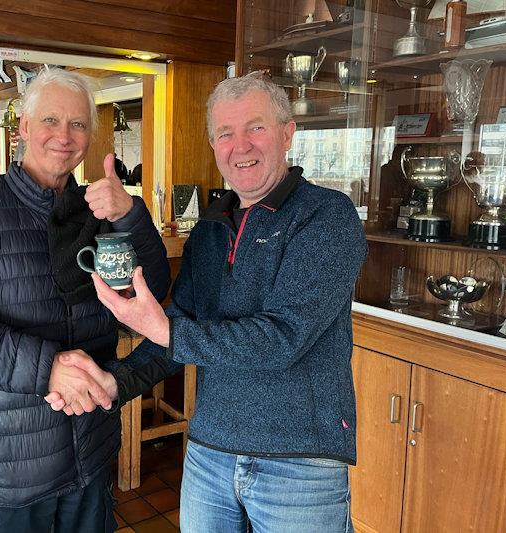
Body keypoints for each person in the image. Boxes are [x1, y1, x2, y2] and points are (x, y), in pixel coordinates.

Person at [48, 72, 367, 532]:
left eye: (255, 127)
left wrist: (164, 329)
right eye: (225, 133)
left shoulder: (327, 217)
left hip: (300, 462)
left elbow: (281, 340)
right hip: (210, 452)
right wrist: (115, 382)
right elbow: (178, 333)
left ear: (287, 133)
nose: (241, 146)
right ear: (214, 145)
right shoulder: (211, 229)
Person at [0, 68, 170, 533]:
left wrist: (132, 215)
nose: (64, 136)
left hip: (89, 453)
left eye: (78, 124)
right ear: (24, 128)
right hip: (4, 469)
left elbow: (152, 288)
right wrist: (46, 367)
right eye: (50, 120)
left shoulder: (98, 209)